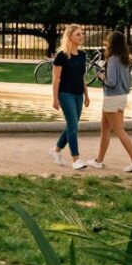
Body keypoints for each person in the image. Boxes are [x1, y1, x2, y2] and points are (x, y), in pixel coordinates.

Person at [89, 31, 132, 173]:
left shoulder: (113, 59)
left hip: (112, 98)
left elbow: (111, 82)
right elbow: (126, 82)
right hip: (122, 97)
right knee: (105, 129)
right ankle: (98, 161)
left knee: (119, 130)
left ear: (111, 43)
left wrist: (101, 77)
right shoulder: (126, 59)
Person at [49, 25, 90, 170]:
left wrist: (86, 94)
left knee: (73, 125)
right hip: (65, 94)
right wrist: (55, 99)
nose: (81, 36)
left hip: (78, 94)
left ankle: (55, 151)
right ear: (70, 37)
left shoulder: (82, 54)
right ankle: (76, 160)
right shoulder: (61, 56)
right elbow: (56, 79)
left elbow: (81, 76)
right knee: (73, 125)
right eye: (78, 34)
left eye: (82, 34)